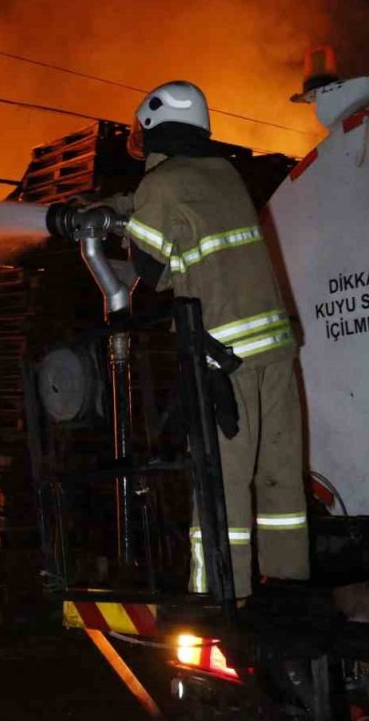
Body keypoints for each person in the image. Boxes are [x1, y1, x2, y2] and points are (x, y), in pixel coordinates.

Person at [106, 81, 308, 599]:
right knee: (279, 473)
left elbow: (150, 273)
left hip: (223, 359)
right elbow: (200, 248)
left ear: (155, 130)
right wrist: (131, 206)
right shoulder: (224, 174)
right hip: (275, 349)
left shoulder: (161, 185)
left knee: (222, 482)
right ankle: (287, 583)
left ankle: (221, 595)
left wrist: (120, 220)